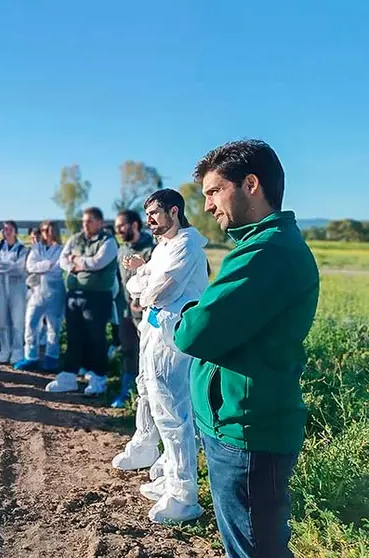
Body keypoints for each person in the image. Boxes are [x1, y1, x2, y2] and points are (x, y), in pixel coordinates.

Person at [174, 140, 319, 556]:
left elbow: (193, 334)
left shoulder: (265, 253)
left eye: (214, 191)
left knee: (255, 549)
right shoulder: (256, 247)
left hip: (248, 432)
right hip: (234, 423)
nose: (207, 206)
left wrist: (186, 311)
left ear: (251, 184)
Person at [109, 189, 209, 524]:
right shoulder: (163, 245)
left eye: (154, 213)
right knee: (152, 395)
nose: (149, 219)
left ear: (174, 211)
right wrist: (144, 280)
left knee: (172, 410)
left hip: (173, 335)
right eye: (148, 213)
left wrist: (145, 281)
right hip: (155, 330)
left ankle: (184, 495)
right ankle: (168, 472)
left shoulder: (187, 245)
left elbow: (156, 291)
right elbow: (135, 288)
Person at [47, 207, 118, 395]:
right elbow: (63, 261)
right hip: (74, 296)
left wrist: (77, 261)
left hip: (97, 296)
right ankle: (69, 376)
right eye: (84, 220)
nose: (85, 224)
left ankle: (98, 378)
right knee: (73, 336)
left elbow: (98, 262)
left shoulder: (108, 241)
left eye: (90, 220)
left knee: (96, 337)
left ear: (100, 223)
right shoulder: (75, 238)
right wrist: (77, 264)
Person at [110, 210, 155, 408]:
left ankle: (148, 398)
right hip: (125, 312)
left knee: (147, 353)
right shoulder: (122, 250)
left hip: (146, 314)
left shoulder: (151, 250)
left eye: (122, 225)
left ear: (134, 225)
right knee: (128, 350)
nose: (118, 230)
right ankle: (127, 392)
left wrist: (142, 299)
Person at [14, 221, 64, 372]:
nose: (46, 233)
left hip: (55, 291)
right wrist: (47, 264)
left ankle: (51, 358)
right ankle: (31, 357)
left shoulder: (62, 249)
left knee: (53, 326)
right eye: (43, 230)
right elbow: (30, 266)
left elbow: (59, 267)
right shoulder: (36, 248)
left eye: (48, 230)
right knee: (30, 323)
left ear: (54, 231)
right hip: (37, 291)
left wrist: (42, 266)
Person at [0, 220, 28, 365]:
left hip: (17, 290)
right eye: (5, 229)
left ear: (16, 232)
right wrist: (8, 266)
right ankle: (5, 350)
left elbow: (19, 268)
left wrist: (3, 266)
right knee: (3, 322)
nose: (7, 231)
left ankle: (17, 350)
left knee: (17, 321)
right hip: (1, 290)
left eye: (10, 229)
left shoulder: (21, 249)